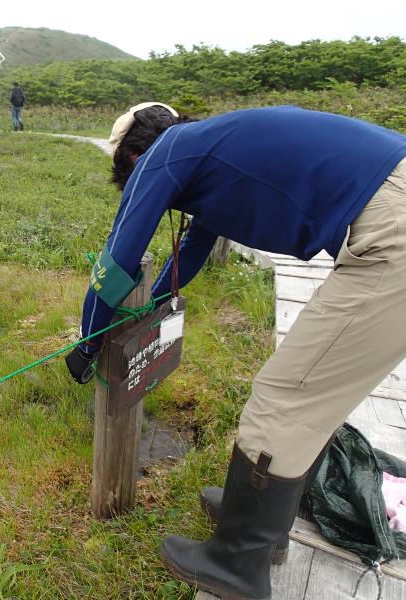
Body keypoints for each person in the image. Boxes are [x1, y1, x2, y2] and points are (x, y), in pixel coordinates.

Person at [65, 101, 406, 599]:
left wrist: (89, 340)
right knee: (305, 396)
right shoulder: (208, 146)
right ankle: (258, 522)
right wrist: (153, 312)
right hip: (389, 206)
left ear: (133, 157)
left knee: (287, 399)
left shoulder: (164, 154)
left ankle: (237, 563)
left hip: (392, 230)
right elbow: (193, 249)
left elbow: (118, 263)